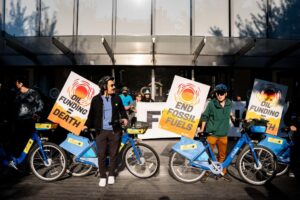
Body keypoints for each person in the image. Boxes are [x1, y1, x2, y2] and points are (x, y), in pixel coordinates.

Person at [85, 76, 128, 187]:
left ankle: (112, 175)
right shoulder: (95, 99)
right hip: (101, 131)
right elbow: (91, 115)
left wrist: (125, 118)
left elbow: (122, 111)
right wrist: (86, 125)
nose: (114, 87)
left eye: (114, 85)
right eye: (111, 85)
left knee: (114, 155)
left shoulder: (117, 98)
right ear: (104, 86)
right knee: (101, 155)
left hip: (115, 131)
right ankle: (103, 176)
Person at [199, 83, 233, 182]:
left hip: (223, 134)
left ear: (226, 94)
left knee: (222, 155)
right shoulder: (211, 104)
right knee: (209, 156)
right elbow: (204, 117)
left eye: (221, 93)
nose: (219, 95)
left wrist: (234, 117)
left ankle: (222, 172)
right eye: (217, 93)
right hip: (212, 134)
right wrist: (202, 129)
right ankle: (206, 173)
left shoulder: (229, 103)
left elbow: (230, 114)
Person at [283, 102, 300, 178]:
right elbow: (286, 117)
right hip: (297, 131)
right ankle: (292, 169)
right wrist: (291, 125)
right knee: (295, 149)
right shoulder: (294, 104)